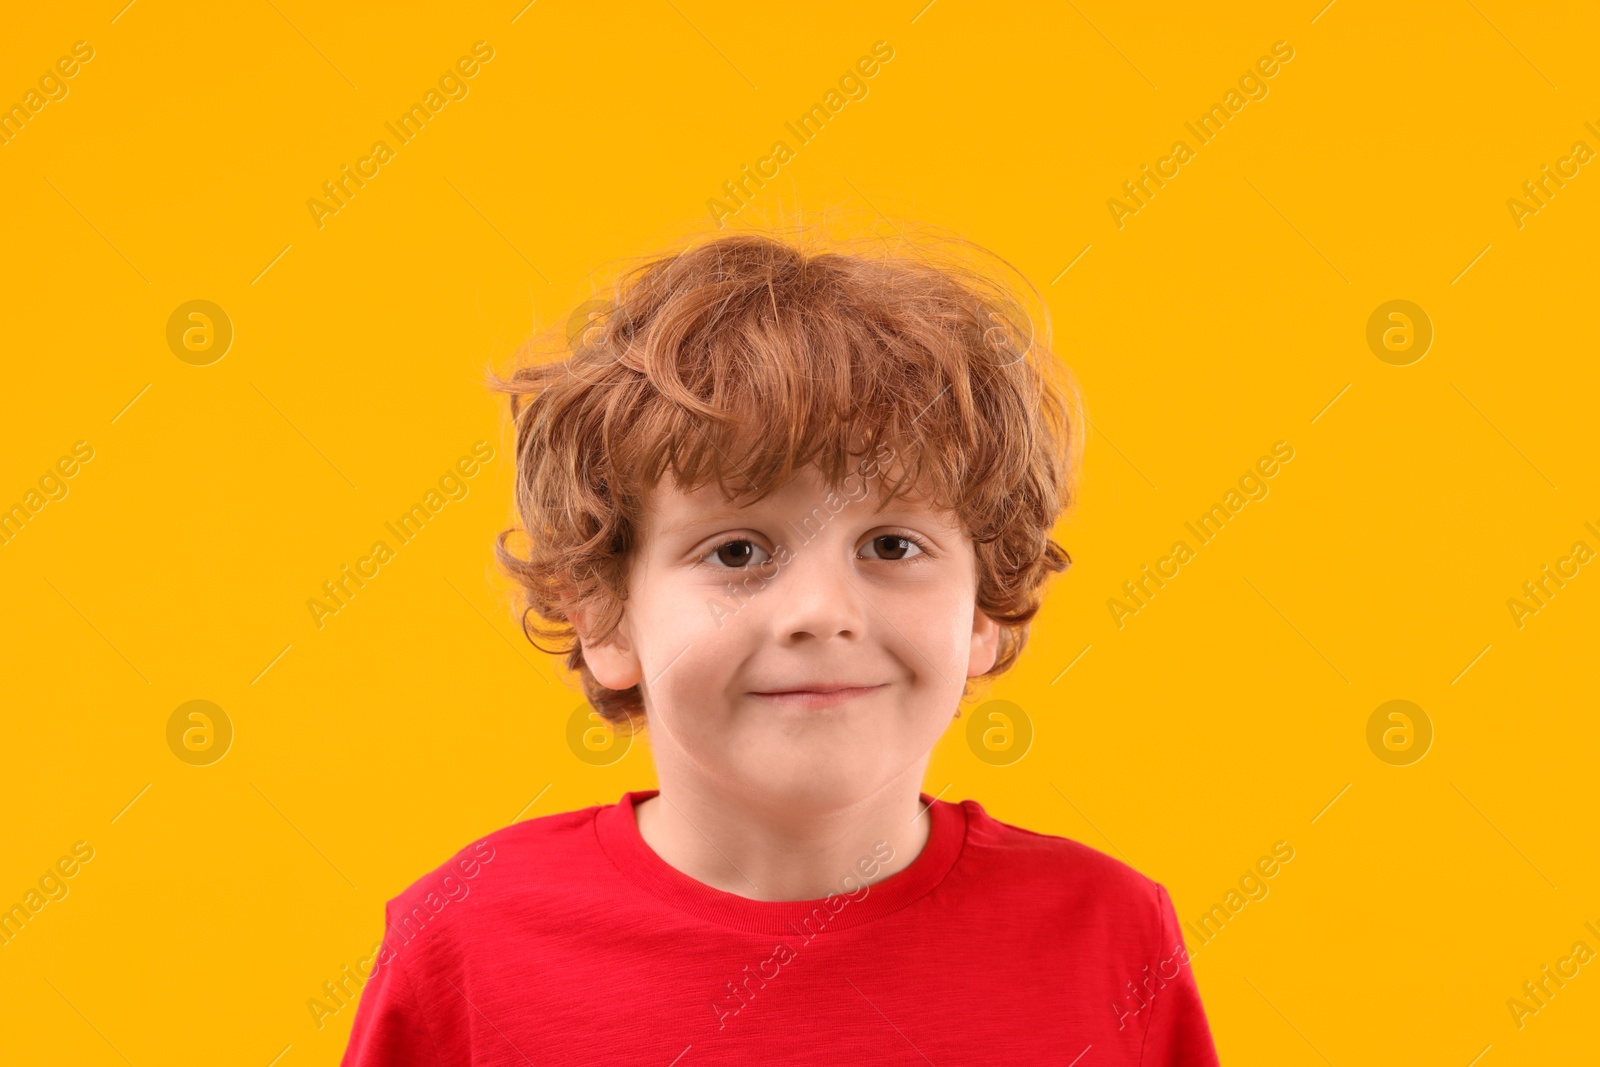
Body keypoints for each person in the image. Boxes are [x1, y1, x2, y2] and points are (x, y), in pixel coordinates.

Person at [340, 228, 1221, 1064]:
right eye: (737, 551)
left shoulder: (1110, 932)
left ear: (984, 608)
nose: (822, 612)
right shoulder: (464, 939)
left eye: (892, 546)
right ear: (604, 618)